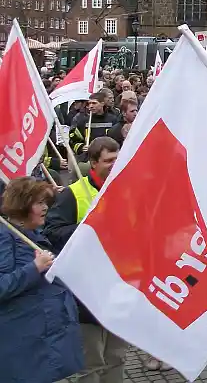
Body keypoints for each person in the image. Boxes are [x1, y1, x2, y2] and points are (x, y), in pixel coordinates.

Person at [43, 136, 126, 383]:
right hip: (85, 291)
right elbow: (52, 233)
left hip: (119, 286)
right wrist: (89, 228)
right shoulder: (72, 194)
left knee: (117, 356)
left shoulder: (127, 188)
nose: (114, 164)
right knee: (91, 361)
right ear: (92, 162)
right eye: (108, 160)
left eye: (118, 159)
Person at [0, 178, 84, 383]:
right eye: (39, 203)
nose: (45, 208)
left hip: (44, 337)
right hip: (24, 342)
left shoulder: (34, 233)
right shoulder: (6, 236)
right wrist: (34, 268)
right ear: (22, 205)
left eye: (45, 202)